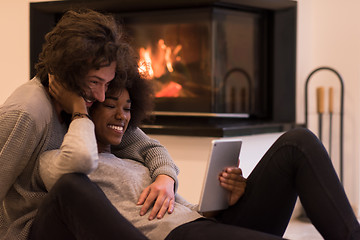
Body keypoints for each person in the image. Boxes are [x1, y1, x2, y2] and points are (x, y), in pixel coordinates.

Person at [38, 69, 360, 240]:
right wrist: (78, 110)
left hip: (201, 225)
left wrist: (221, 205)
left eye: (127, 108)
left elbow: (178, 204)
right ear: (88, 105)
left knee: (298, 142)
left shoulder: (131, 156)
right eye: (111, 106)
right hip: (178, 236)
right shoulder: (58, 163)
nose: (122, 116)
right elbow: (79, 160)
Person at [0, 9, 179, 240]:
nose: (102, 96)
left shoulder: (89, 99)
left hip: (78, 221)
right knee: (71, 186)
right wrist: (79, 112)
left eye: (107, 83)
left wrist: (166, 177)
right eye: (95, 82)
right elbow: (81, 162)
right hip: (33, 230)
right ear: (67, 71)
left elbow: (147, 147)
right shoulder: (26, 114)